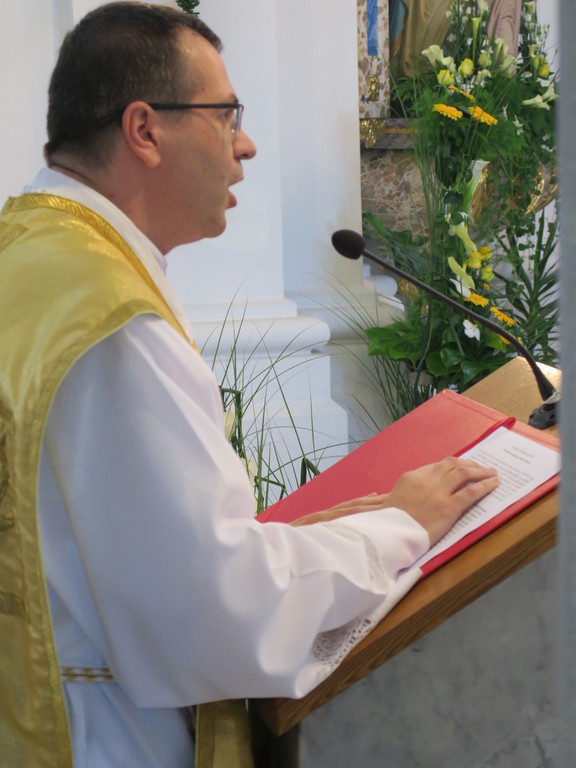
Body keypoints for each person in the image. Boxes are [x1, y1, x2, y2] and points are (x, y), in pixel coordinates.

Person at [0, 3, 499, 767]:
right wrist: (401, 526)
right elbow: (219, 609)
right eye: (226, 114)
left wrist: (320, 530)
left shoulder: (30, 255)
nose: (246, 144)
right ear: (144, 130)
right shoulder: (111, 321)